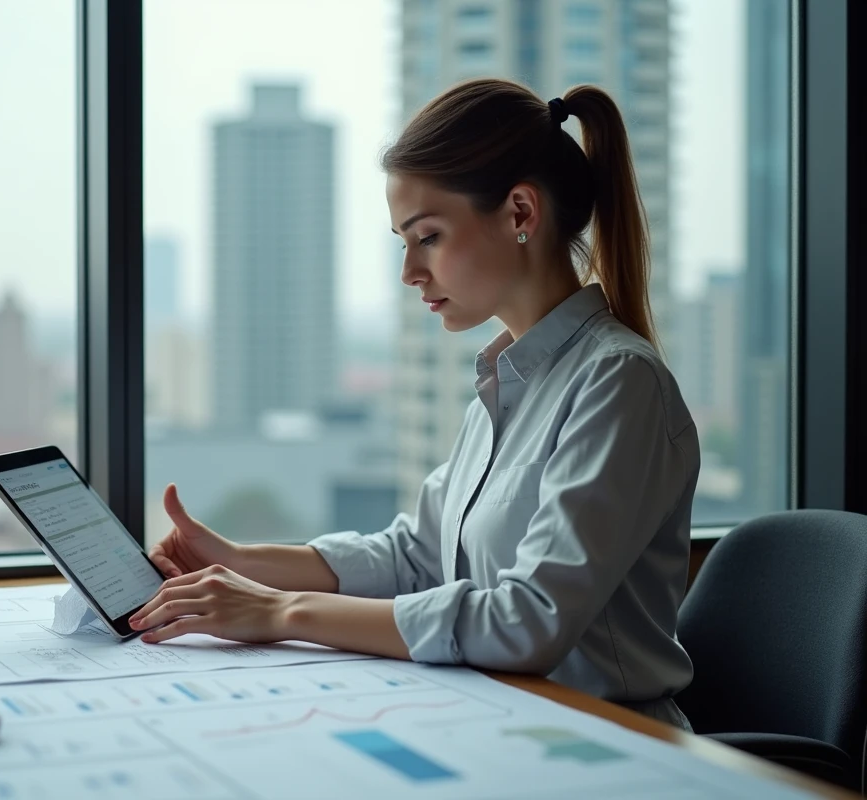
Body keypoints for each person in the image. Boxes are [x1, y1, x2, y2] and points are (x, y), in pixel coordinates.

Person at [130, 78, 700, 730]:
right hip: (496, 719)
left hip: (605, 741)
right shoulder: (504, 381)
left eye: (427, 237)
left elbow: (529, 621)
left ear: (520, 213)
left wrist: (279, 611)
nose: (409, 272)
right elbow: (418, 558)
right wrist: (239, 561)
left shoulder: (618, 383)